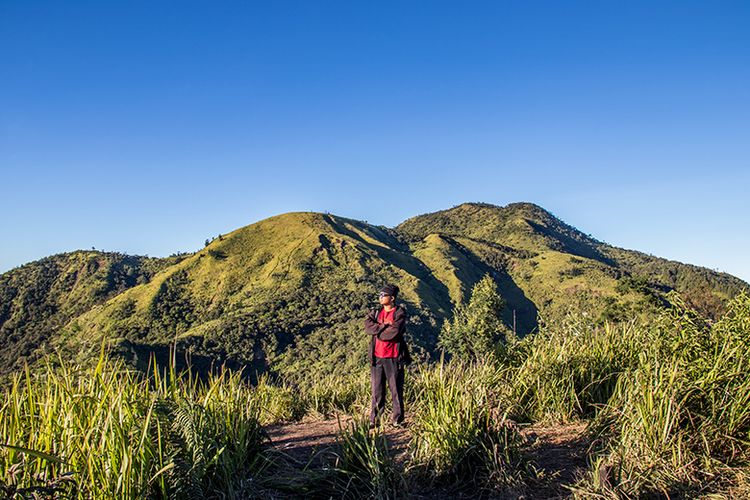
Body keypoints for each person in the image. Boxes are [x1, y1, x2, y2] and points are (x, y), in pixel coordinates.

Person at [364, 283, 411, 427]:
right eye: (380, 295)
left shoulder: (399, 313)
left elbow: (394, 332)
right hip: (377, 357)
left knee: (396, 389)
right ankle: (374, 420)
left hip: (393, 356)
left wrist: (378, 331)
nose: (380, 297)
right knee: (377, 390)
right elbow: (367, 326)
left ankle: (397, 420)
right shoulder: (376, 313)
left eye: (383, 295)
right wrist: (384, 326)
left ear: (392, 298)